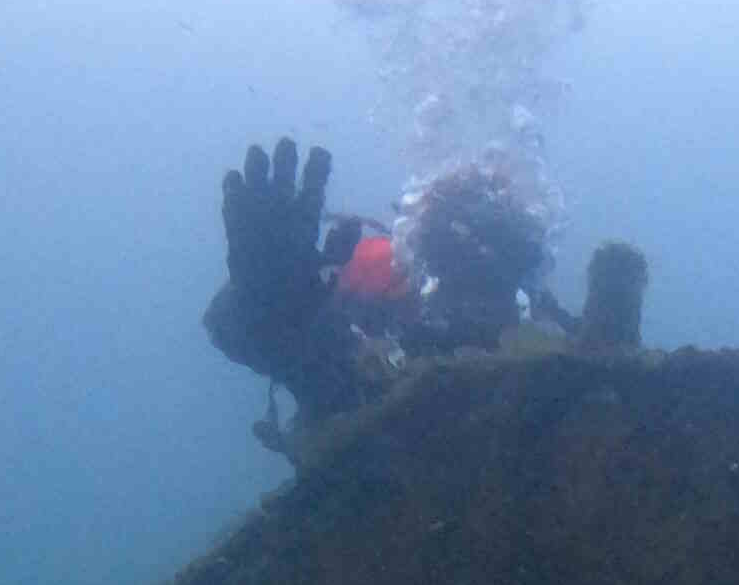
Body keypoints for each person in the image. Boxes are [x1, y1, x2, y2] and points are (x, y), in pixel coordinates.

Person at [204, 138, 584, 456]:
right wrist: (261, 305)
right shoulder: (370, 303)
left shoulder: (556, 344)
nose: (475, 278)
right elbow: (227, 326)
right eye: (456, 255)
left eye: (496, 265)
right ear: (424, 251)